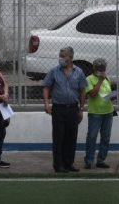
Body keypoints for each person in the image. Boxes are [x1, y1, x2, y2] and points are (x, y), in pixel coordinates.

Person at [42, 46, 86, 174]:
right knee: (58, 137)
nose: (60, 58)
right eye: (60, 55)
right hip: (58, 109)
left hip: (73, 108)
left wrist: (81, 109)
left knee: (71, 137)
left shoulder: (79, 72)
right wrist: (46, 103)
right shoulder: (54, 71)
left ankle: (69, 163)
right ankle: (58, 165)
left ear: (71, 57)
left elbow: (83, 91)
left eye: (63, 56)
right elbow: (46, 87)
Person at [84, 58, 114, 169]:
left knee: (105, 137)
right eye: (99, 68)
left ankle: (101, 160)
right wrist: (100, 80)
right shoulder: (89, 79)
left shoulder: (107, 79)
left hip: (108, 112)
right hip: (95, 113)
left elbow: (107, 94)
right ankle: (89, 160)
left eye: (103, 68)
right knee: (92, 136)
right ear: (94, 68)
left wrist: (113, 96)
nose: (102, 70)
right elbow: (92, 94)